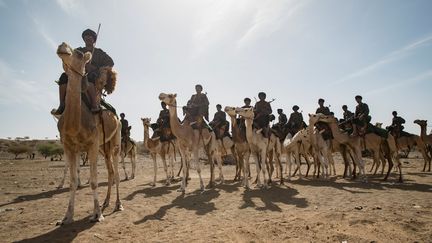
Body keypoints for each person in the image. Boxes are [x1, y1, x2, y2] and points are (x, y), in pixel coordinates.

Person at [52, 28, 114, 115]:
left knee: (88, 77)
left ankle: (94, 104)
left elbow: (110, 62)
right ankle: (62, 104)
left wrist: (95, 68)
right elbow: (71, 60)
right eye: (86, 36)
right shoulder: (78, 51)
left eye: (90, 36)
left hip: (93, 75)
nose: (88, 38)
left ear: (93, 40)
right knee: (63, 77)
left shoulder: (100, 53)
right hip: (78, 73)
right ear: (84, 39)